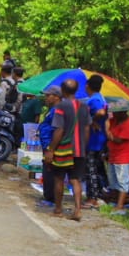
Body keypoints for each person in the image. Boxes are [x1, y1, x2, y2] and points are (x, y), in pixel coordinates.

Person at [46, 78, 90, 220]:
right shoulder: (84, 106)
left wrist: (51, 149)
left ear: (63, 91)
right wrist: (84, 145)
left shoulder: (61, 107)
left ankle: (58, 209)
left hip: (64, 148)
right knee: (75, 179)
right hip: (79, 149)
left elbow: (59, 129)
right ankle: (78, 210)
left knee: (59, 178)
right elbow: (87, 128)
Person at [105, 98, 129, 212]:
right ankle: (114, 201)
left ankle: (120, 205)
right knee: (113, 180)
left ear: (123, 112)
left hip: (124, 157)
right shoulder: (114, 120)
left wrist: (108, 133)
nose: (114, 113)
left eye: (116, 111)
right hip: (114, 155)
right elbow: (108, 121)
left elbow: (118, 140)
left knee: (122, 181)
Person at [84, 75, 109, 204]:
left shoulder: (95, 99)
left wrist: (93, 121)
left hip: (94, 140)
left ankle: (92, 197)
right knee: (97, 169)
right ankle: (99, 194)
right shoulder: (100, 98)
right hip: (98, 139)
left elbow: (101, 112)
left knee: (91, 169)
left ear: (88, 85)